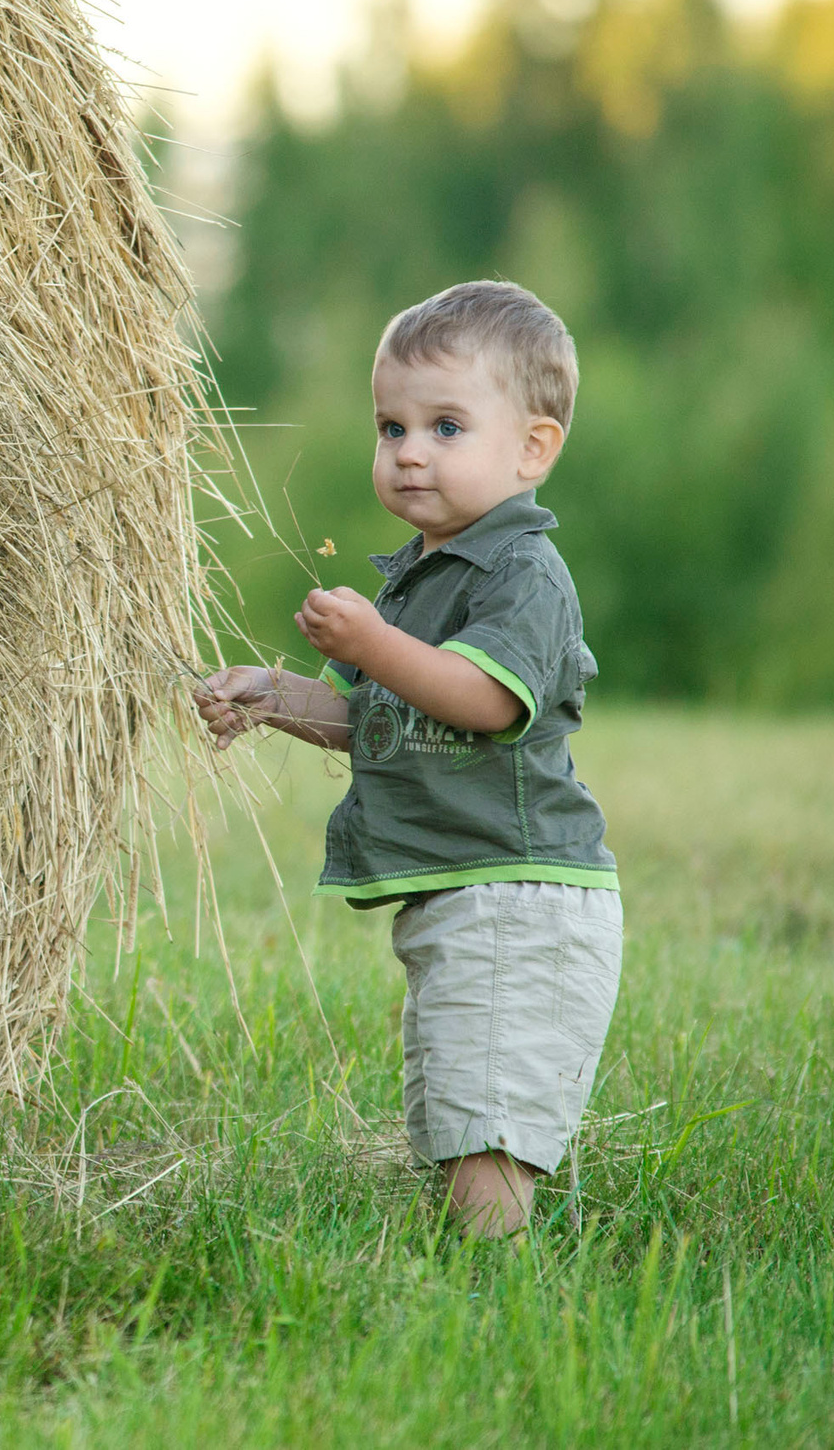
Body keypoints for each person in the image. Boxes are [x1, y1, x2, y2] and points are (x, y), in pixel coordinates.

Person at [195, 280, 619, 1237]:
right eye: (392, 426)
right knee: (453, 1111)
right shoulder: (423, 575)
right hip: (464, 894)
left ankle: (494, 1293)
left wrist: (373, 643)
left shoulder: (523, 574)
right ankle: (469, 1266)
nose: (410, 450)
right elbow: (382, 717)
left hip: (520, 897)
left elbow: (482, 698)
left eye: (446, 426)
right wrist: (270, 693)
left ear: (533, 447)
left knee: (487, 1129)